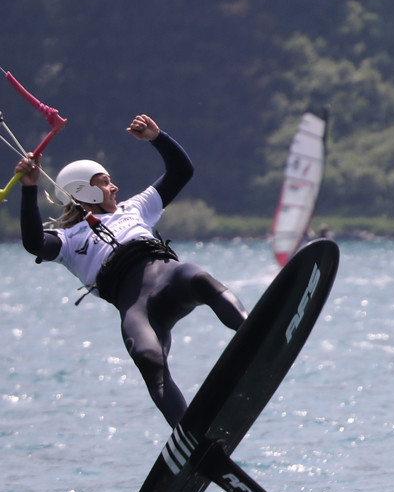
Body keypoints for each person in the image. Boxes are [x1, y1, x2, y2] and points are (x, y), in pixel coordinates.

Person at [13, 115, 247, 426]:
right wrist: (29, 189)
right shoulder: (68, 241)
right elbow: (33, 242)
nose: (114, 187)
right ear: (86, 191)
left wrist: (157, 137)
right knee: (149, 362)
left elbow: (181, 171)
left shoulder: (135, 207)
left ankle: (251, 330)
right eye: (105, 182)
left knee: (200, 277)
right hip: (137, 310)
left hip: (169, 278)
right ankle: (191, 438)